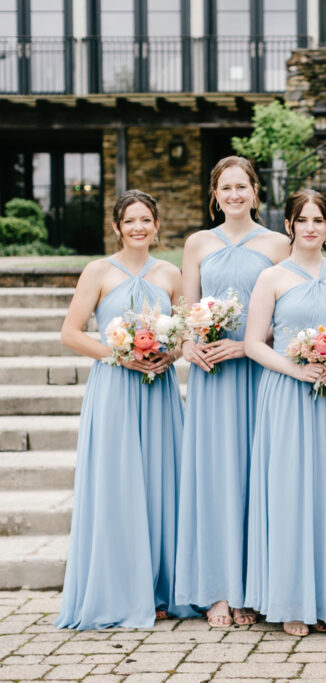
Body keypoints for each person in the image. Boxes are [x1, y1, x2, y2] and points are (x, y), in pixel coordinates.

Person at [56, 190, 197, 629]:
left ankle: (160, 588)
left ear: (157, 225)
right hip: (115, 388)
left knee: (160, 484)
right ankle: (120, 589)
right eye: (129, 220)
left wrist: (168, 355)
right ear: (116, 227)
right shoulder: (98, 271)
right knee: (117, 486)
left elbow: (184, 335)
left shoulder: (171, 273)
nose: (138, 227)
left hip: (157, 391)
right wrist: (116, 354)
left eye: (146, 220)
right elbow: (70, 333)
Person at [174, 156, 291, 626]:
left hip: (259, 372)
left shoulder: (279, 244)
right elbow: (185, 308)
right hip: (213, 377)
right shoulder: (197, 242)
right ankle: (220, 589)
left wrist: (247, 346)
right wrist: (188, 347)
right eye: (226, 188)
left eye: (242, 186)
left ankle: (254, 585)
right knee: (218, 476)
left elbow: (287, 314)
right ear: (215, 194)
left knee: (258, 476)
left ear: (256, 192)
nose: (235, 195)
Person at [243, 190, 326, 636]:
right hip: (288, 395)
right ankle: (293, 599)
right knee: (291, 492)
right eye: (303, 219)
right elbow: (255, 342)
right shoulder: (271, 277)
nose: (311, 227)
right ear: (289, 226)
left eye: (319, 219)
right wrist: (297, 370)